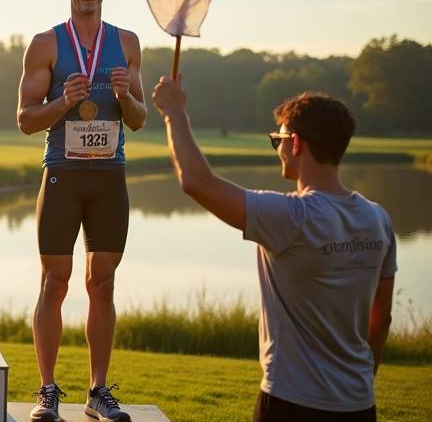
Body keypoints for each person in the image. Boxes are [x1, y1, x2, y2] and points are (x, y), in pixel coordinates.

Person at [151, 81, 395, 422]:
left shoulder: (291, 217)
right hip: (359, 403)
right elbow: (380, 317)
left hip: (290, 401)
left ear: (295, 144)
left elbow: (196, 181)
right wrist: (364, 379)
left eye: (277, 140)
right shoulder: (378, 219)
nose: (276, 148)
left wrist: (174, 113)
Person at [16, 0, 146, 422]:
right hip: (63, 175)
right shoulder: (45, 45)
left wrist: (124, 95)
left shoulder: (127, 43)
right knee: (55, 281)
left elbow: (138, 119)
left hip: (109, 177)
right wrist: (62, 103)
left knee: (102, 283)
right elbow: (24, 120)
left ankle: (97, 391)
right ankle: (48, 389)